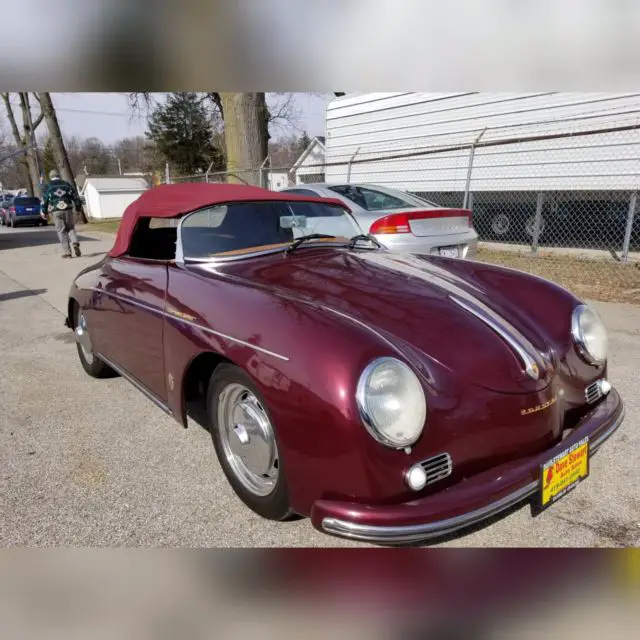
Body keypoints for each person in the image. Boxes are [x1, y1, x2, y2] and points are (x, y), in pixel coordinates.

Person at [41, 169, 82, 258]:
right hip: (68, 209)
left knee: (61, 231)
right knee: (70, 227)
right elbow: (75, 197)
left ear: (51, 177)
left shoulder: (48, 186)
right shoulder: (66, 184)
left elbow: (45, 201)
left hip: (56, 210)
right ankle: (74, 242)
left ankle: (67, 252)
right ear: (58, 176)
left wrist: (44, 212)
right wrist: (78, 208)